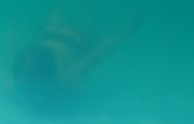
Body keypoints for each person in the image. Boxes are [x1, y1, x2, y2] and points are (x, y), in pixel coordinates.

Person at [8, 13, 138, 108]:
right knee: (61, 16)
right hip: (48, 32)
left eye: (31, 85)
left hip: (72, 39)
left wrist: (127, 30)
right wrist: (127, 30)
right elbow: (11, 48)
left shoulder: (63, 80)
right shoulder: (17, 77)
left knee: (91, 30)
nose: (28, 87)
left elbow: (98, 53)